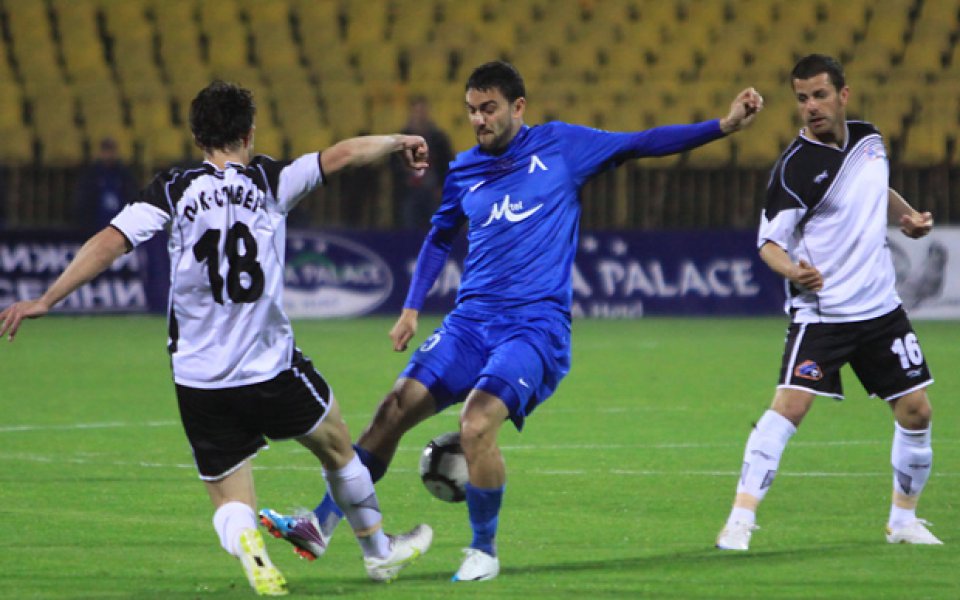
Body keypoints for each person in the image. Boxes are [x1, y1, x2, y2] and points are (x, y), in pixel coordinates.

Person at [258, 60, 763, 582]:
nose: (479, 120)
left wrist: (722, 127)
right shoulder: (463, 170)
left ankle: (483, 551)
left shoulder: (563, 146)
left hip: (534, 327)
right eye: (472, 111)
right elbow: (438, 236)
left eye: (489, 109)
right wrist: (411, 306)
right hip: (470, 323)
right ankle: (319, 523)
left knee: (475, 424)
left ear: (518, 108)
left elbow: (643, 142)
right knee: (391, 411)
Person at [0, 81, 434, 596]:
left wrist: (47, 299)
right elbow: (340, 155)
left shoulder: (172, 189)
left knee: (229, 497)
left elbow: (109, 243)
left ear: (198, 136)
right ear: (249, 132)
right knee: (339, 449)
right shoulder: (271, 179)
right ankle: (378, 552)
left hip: (200, 377)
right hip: (270, 366)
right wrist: (396, 140)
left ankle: (250, 542)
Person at [714, 54, 940, 551]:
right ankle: (739, 520)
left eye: (819, 95)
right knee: (788, 409)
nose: (810, 107)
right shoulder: (794, 169)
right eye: (801, 98)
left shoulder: (870, 139)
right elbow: (769, 243)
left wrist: (907, 218)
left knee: (917, 412)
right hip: (825, 313)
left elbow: (876, 187)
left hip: (881, 309)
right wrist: (793, 271)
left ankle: (903, 521)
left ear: (843, 95)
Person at [390, 95, 455, 229]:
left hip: (433, 192)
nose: (420, 115)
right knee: (409, 228)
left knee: (434, 229)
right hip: (409, 192)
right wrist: (404, 180)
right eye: (417, 112)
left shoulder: (439, 139)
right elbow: (394, 166)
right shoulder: (400, 139)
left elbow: (448, 164)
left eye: (423, 111)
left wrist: (442, 187)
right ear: (411, 113)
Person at [74, 137, 140, 233]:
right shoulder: (92, 175)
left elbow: (132, 196)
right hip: (96, 227)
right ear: (101, 153)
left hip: (121, 228)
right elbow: (84, 201)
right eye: (106, 151)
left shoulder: (124, 175)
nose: (109, 155)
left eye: (111, 151)